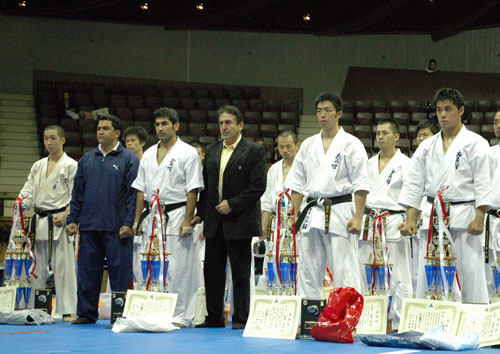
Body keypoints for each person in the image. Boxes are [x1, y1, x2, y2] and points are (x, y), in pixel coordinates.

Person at [399, 88, 492, 303]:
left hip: (464, 215)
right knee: (428, 270)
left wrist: (480, 217)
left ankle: (472, 321)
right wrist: (410, 219)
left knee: (469, 270)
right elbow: (414, 183)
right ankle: (430, 317)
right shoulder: (426, 146)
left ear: (460, 110)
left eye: (448, 109)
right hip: (432, 216)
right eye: (439, 110)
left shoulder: (476, 143)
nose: (443, 115)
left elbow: (483, 182)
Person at [287, 92, 369, 299]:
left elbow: (361, 184)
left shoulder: (351, 143)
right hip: (312, 211)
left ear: (338, 114)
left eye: (327, 111)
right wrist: (293, 215)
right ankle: (308, 318)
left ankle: (347, 321)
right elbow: (297, 183)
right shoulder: (307, 145)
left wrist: (358, 216)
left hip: (340, 210)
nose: (322, 115)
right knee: (308, 268)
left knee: (344, 268)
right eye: (319, 111)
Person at [195, 105, 267, 329]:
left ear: (240, 125)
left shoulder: (253, 150)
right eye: (221, 123)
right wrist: (199, 214)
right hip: (215, 221)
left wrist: (232, 205)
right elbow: (206, 188)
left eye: (228, 123)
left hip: (240, 220)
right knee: (212, 272)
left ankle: (241, 318)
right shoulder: (213, 150)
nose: (224, 127)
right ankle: (214, 317)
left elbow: (258, 186)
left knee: (241, 273)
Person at [132, 107, 204, 327]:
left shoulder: (187, 153)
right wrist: (137, 220)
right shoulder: (148, 155)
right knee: (152, 265)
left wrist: (187, 219)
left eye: (165, 124)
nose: (160, 128)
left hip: (177, 213)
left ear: (176, 126)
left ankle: (181, 315)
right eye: (157, 124)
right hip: (152, 216)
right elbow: (140, 190)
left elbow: (193, 188)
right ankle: (156, 310)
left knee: (178, 268)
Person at [66, 115, 139, 324]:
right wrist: (73, 219)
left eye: (106, 128)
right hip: (89, 227)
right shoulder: (87, 159)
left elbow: (132, 195)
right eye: (99, 128)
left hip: (117, 228)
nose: (100, 132)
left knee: (120, 274)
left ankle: (119, 315)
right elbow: (77, 193)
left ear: (117, 133)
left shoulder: (129, 159)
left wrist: (128, 223)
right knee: (87, 273)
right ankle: (86, 314)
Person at [18, 125, 77, 321]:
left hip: (59, 221)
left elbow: (75, 195)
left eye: (53, 138)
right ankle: (38, 306)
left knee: (63, 267)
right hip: (39, 220)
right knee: (37, 266)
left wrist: (68, 215)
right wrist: (21, 204)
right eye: (45, 138)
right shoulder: (38, 165)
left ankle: (68, 309)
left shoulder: (70, 165)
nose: (49, 142)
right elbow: (28, 189)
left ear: (62, 140)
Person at [359, 119, 410, 327]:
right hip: (369, 221)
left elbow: (412, 195)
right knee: (365, 269)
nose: (380, 137)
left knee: (398, 271)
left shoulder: (406, 163)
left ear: (396, 137)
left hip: (394, 221)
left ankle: (398, 320)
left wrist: (411, 219)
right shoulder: (368, 163)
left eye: (385, 133)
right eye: (378, 133)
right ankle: (367, 317)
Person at [122, 126, 148, 289]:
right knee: (124, 261)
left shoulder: (149, 161)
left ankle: (142, 296)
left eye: (133, 141)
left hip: (144, 215)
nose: (129, 144)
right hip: (125, 215)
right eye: (127, 141)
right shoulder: (122, 162)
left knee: (141, 261)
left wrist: (137, 220)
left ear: (142, 143)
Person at [485, 111, 500, 296]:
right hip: (492, 218)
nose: (498, 125)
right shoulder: (489, 152)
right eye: (496, 122)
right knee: (490, 273)